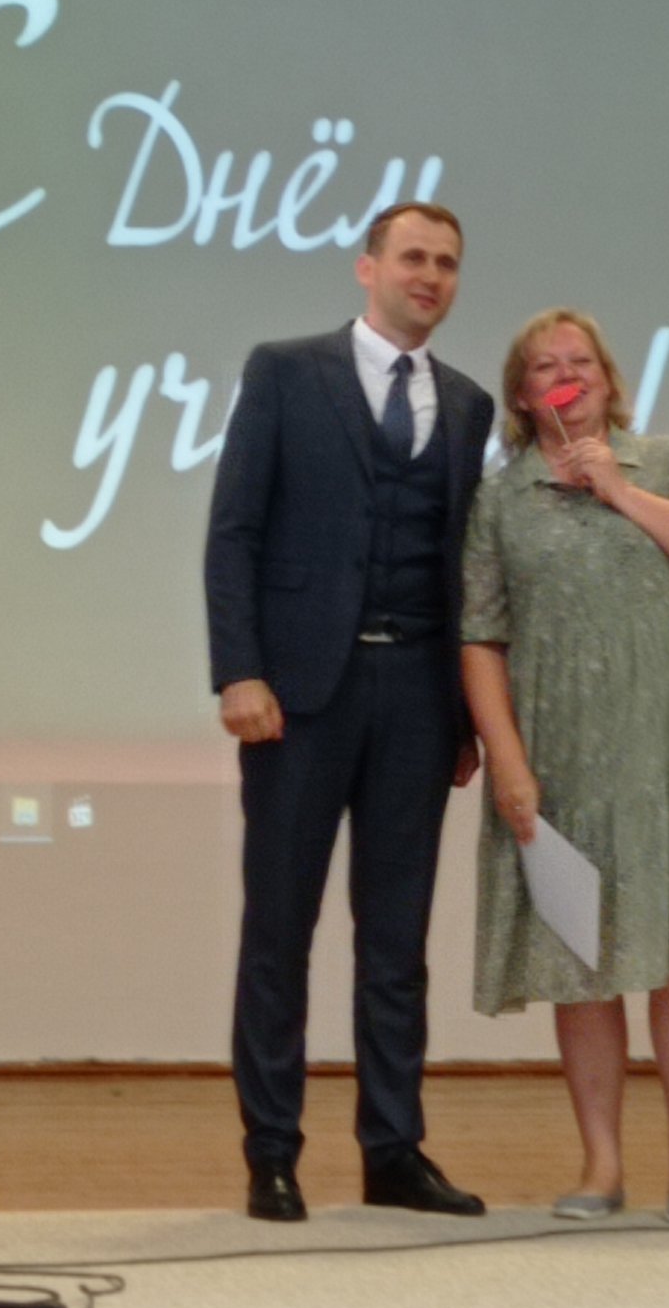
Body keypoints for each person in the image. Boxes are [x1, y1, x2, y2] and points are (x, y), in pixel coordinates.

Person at [205, 201, 495, 1223]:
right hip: (297, 697)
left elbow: (461, 567)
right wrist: (239, 671)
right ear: (367, 267)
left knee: (397, 940)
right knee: (279, 930)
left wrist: (465, 717)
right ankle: (272, 1154)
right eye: (413, 256)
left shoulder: (468, 404)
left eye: (447, 263)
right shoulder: (287, 371)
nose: (430, 275)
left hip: (417, 698)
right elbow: (234, 532)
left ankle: (393, 1151)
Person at [460, 308, 669, 1224]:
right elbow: (480, 636)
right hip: (564, 754)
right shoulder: (500, 498)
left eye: (581, 360)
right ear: (524, 395)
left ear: (606, 379)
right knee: (581, 958)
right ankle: (600, 1161)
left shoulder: (663, 462)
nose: (567, 373)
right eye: (545, 365)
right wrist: (506, 759)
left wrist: (620, 489)